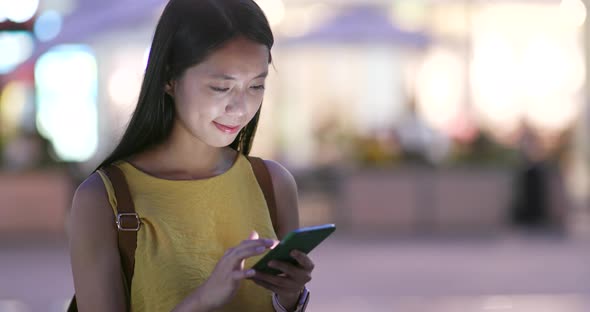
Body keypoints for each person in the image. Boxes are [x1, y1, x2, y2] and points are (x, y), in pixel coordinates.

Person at [68, 0, 314, 311]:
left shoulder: (273, 185)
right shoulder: (104, 198)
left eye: (256, 85)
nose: (240, 108)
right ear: (169, 77)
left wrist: (289, 297)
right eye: (221, 87)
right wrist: (201, 301)